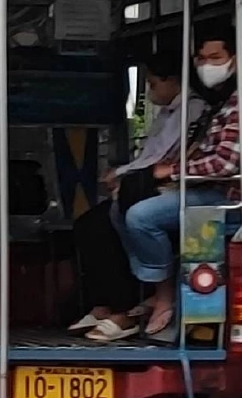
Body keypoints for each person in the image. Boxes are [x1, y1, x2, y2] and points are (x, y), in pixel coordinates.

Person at [73, 51, 207, 340]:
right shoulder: (168, 112)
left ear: (171, 80)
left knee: (110, 223)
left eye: (152, 83)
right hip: (154, 182)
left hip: (175, 186)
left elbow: (160, 158)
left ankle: (125, 306)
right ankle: (105, 303)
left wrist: (122, 173)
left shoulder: (191, 110)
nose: (149, 90)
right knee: (88, 225)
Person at [117, 29, 239, 338]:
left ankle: (165, 293)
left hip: (225, 198)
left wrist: (172, 172)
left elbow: (226, 163)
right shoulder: (221, 102)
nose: (207, 65)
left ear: (234, 61)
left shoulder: (236, 104)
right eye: (202, 59)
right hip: (205, 188)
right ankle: (155, 289)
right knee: (123, 207)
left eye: (216, 58)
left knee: (141, 216)